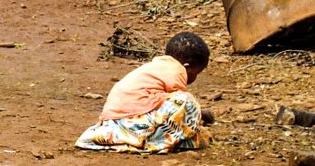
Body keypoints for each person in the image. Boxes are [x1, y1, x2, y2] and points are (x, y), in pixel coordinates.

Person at [74, 31, 214, 154]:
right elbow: (178, 107)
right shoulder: (177, 70)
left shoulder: (156, 66)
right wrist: (200, 113)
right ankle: (157, 142)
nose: (194, 78)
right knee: (186, 101)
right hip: (131, 120)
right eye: (196, 73)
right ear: (187, 67)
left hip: (114, 121)